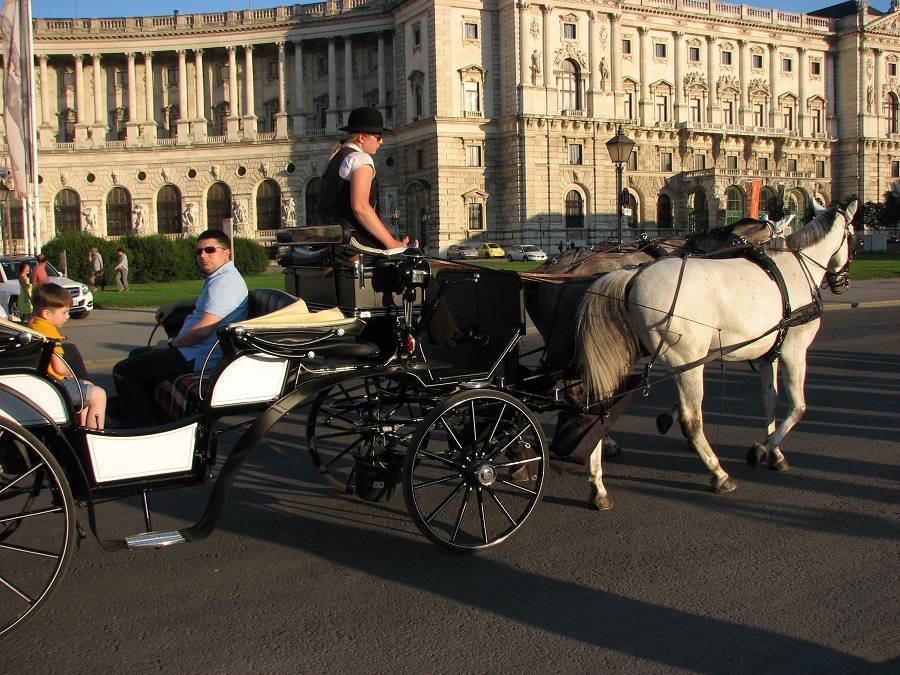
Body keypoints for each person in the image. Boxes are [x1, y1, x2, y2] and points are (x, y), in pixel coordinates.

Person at [112, 230, 249, 427]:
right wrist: (176, 306)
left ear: (226, 253)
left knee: (124, 371)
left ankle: (147, 428)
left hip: (195, 357)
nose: (203, 255)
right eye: (199, 252)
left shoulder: (225, 283)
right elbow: (206, 303)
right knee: (136, 356)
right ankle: (152, 417)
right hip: (190, 351)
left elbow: (203, 331)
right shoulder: (220, 278)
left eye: (210, 250)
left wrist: (170, 345)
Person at [316, 107, 409, 251]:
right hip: (352, 243)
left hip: (329, 241)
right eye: (378, 136)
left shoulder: (335, 159)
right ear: (361, 137)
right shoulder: (360, 159)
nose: (382, 141)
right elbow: (361, 207)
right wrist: (391, 243)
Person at [29, 284, 106, 429]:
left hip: (43, 380)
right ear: (47, 314)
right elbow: (59, 367)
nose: (68, 316)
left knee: (88, 387)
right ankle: (96, 433)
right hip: (53, 385)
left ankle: (83, 428)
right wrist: (70, 373)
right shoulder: (50, 333)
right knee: (99, 395)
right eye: (64, 312)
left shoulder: (34, 324)